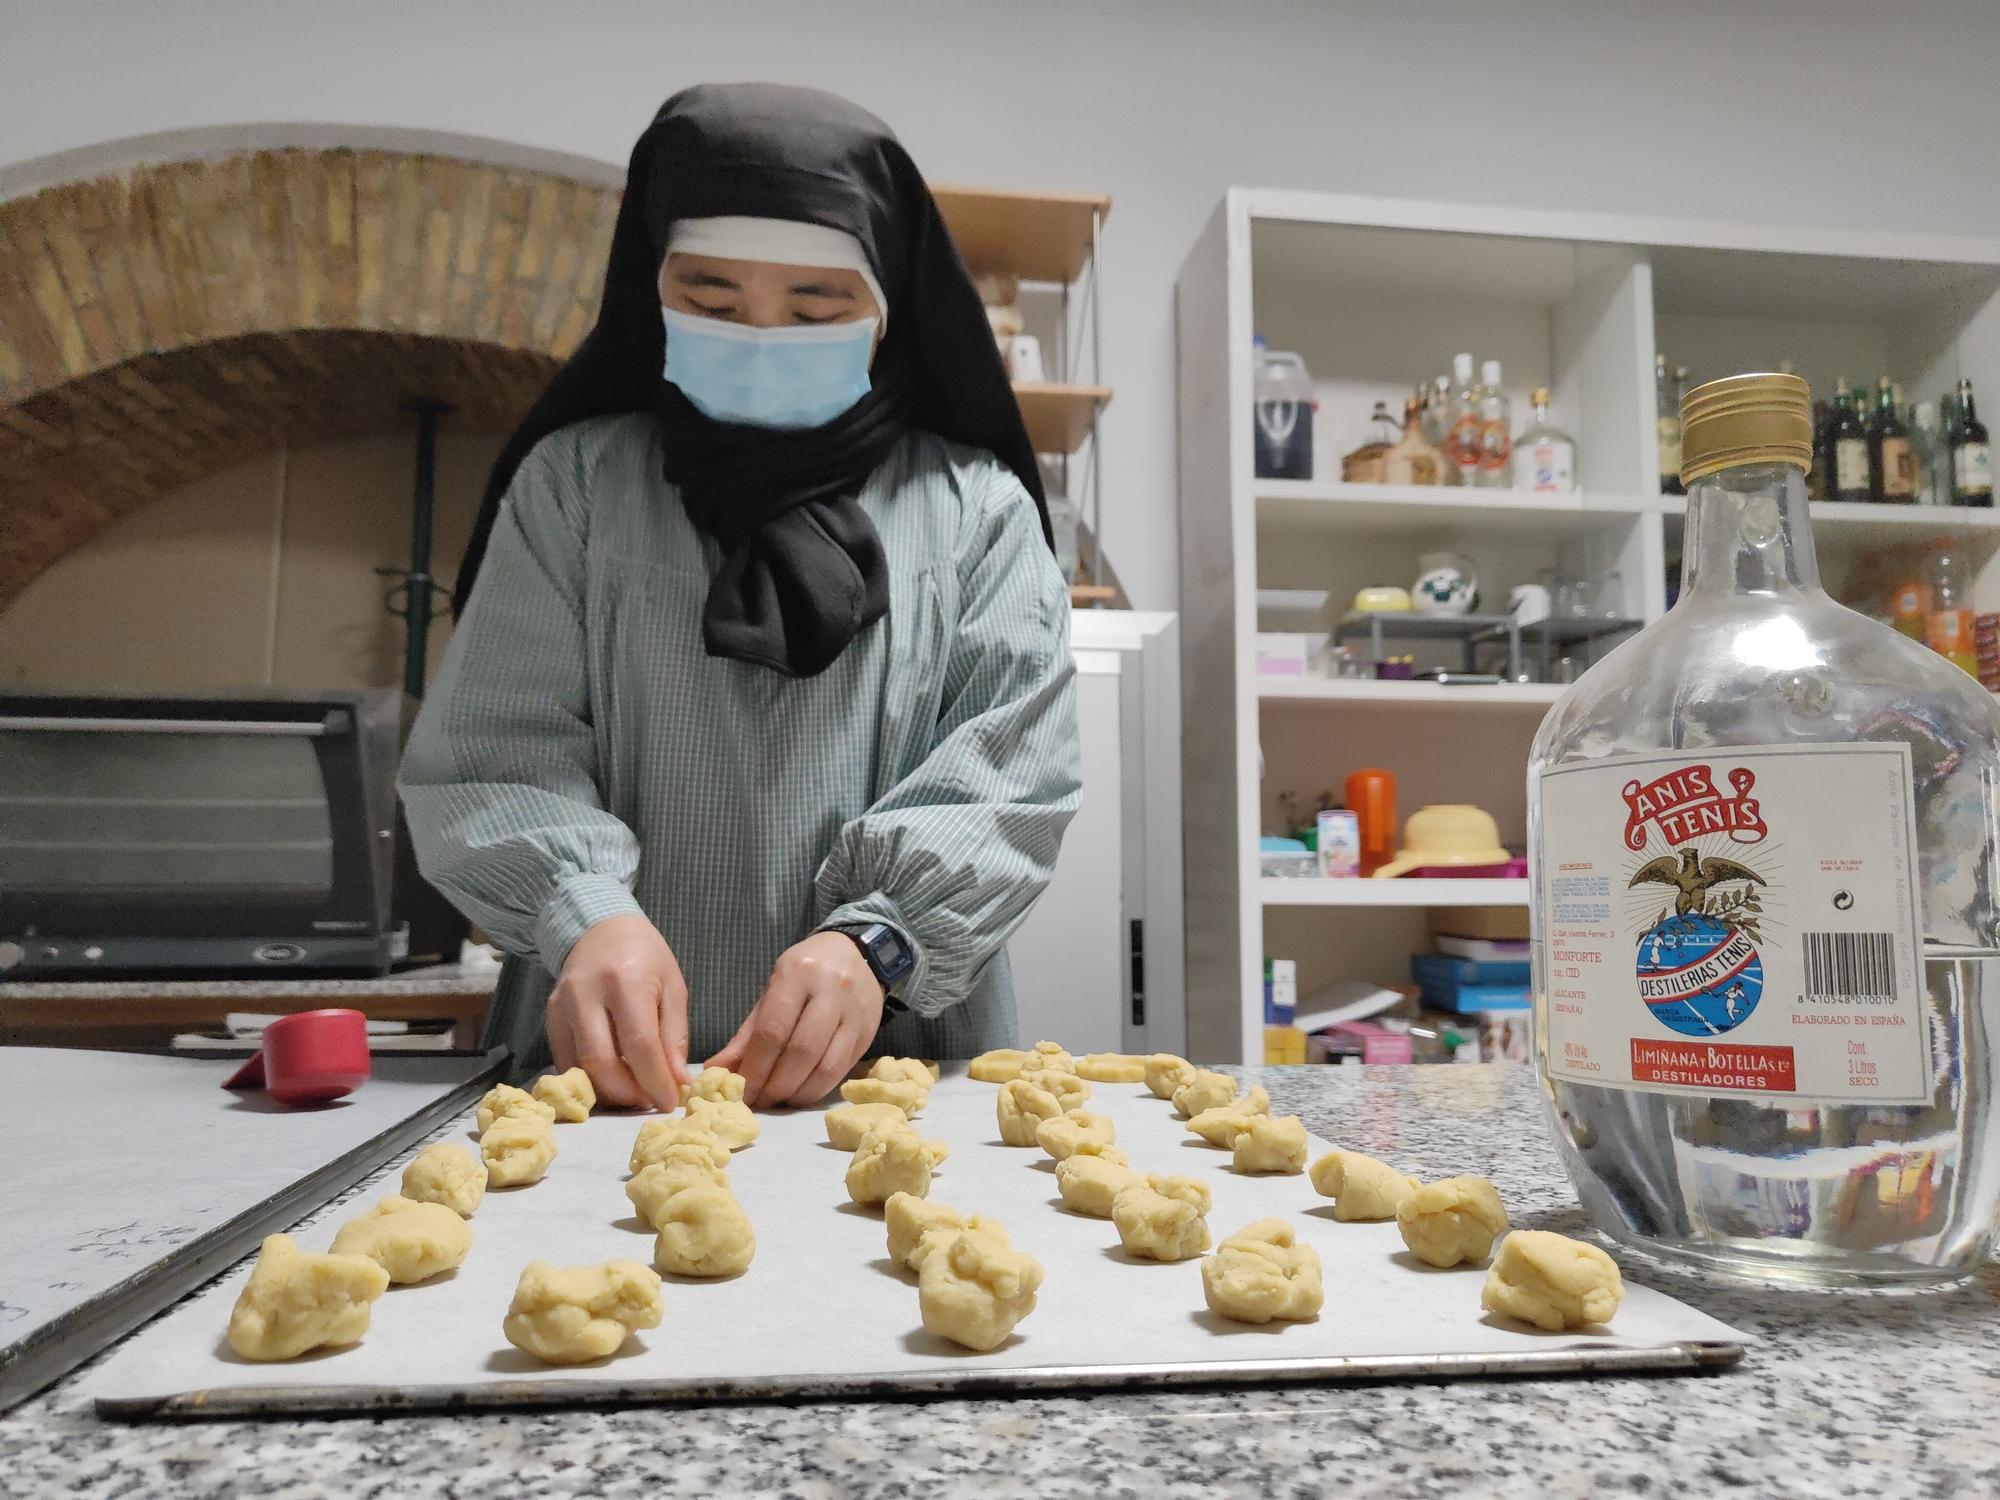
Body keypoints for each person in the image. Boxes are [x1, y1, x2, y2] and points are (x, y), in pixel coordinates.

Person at [400, 84, 1081, 1112]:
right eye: (711, 302)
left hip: (900, 1063)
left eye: (815, 305)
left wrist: (883, 939)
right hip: (606, 1071)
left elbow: (1012, 773)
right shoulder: (576, 486)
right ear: (650, 291)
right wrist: (583, 911)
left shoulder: (972, 509)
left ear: (887, 310)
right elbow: (495, 750)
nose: (762, 335)